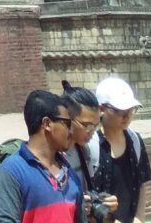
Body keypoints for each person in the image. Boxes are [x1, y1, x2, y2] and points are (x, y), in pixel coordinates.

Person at [0, 89, 83, 223]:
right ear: (47, 124)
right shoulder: (12, 171)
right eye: (67, 124)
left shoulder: (70, 174)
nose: (71, 132)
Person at [93, 77, 151, 223]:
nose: (127, 116)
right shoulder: (91, 145)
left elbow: (141, 182)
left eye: (131, 109)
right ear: (101, 109)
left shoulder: (135, 140)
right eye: (120, 110)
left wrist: (138, 218)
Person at [61, 81, 118, 223]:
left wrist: (98, 201)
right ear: (67, 119)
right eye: (87, 125)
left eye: (96, 125)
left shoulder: (85, 150)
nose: (92, 132)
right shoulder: (52, 157)